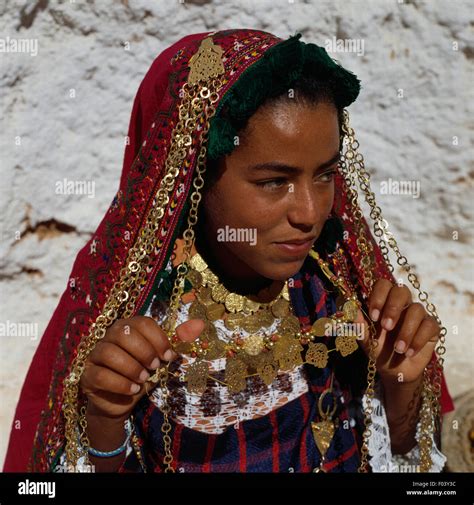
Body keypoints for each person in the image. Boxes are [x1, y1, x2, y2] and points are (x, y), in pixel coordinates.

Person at [3, 29, 454, 474]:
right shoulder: (141, 322)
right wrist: (104, 419)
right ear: (191, 176)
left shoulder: (337, 285)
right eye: (274, 181)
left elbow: (399, 451)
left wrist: (401, 386)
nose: (311, 212)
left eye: (325, 174)